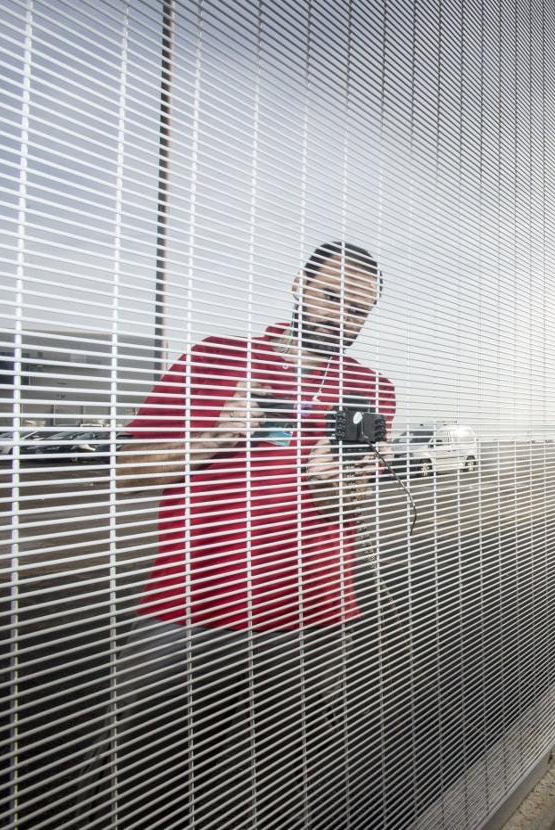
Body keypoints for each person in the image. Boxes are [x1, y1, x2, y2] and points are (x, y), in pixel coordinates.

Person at [77, 242, 397, 828]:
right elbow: (128, 471)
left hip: (313, 615)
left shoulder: (370, 387)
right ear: (299, 287)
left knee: (286, 784)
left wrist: (335, 484)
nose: (342, 318)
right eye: (331, 297)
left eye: (358, 310)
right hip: (189, 605)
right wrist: (215, 436)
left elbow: (347, 508)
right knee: (135, 780)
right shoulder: (215, 359)